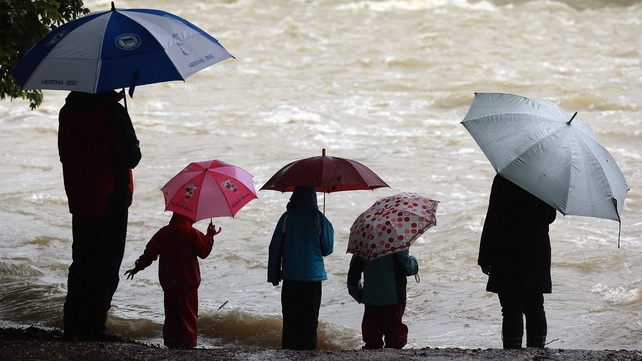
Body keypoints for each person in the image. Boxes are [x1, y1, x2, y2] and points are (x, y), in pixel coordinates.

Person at [58, 90, 141, 342]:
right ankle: (94, 324)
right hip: (109, 197)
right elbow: (132, 157)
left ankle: (73, 323)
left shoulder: (68, 111)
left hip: (80, 195)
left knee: (82, 260)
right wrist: (129, 130)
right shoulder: (110, 111)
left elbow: (65, 153)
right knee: (106, 263)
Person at [478, 174, 557, 349]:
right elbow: (550, 216)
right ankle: (537, 351)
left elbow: (493, 216)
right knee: (535, 305)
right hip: (537, 248)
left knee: (511, 306)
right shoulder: (547, 178)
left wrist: (485, 256)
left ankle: (512, 353)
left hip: (507, 247)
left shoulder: (505, 177)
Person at [124, 213, 220, 348]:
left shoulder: (164, 232)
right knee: (188, 315)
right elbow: (204, 252)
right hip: (188, 282)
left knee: (171, 314)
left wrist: (137, 267)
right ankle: (187, 344)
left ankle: (171, 342)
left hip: (168, 281)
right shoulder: (192, 233)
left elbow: (150, 253)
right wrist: (210, 235)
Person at [267, 186, 334, 350]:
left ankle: (289, 352)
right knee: (310, 320)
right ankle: (309, 351)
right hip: (312, 278)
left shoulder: (287, 218)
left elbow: (275, 248)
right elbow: (327, 249)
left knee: (290, 320)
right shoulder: (319, 218)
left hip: (290, 277)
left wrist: (274, 276)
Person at [347, 250, 418, 349]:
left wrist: (359, 294)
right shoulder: (396, 246)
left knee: (372, 338)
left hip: (371, 299)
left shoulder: (364, 246)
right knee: (394, 338)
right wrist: (414, 261)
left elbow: (353, 274)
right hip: (394, 298)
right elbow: (409, 268)